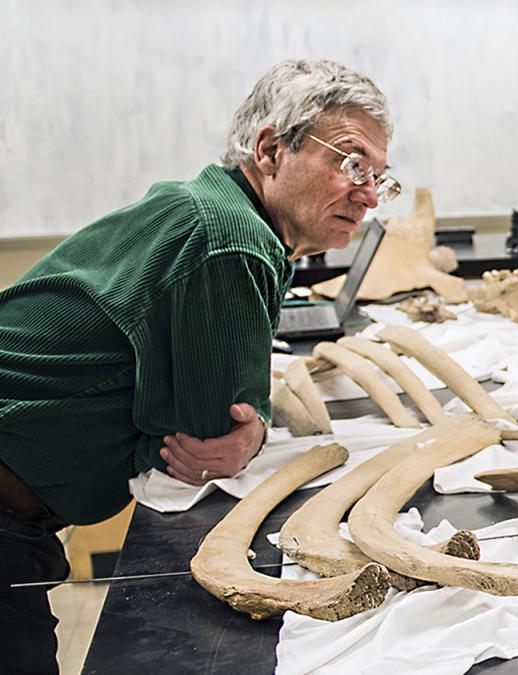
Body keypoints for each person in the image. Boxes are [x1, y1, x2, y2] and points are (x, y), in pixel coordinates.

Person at [0, 58, 399, 674]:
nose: (369, 194)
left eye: (378, 176)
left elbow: (230, 402)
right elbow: (208, 439)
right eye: (351, 163)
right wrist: (249, 428)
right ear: (271, 149)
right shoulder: (229, 236)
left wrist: (251, 420)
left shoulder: (220, 214)